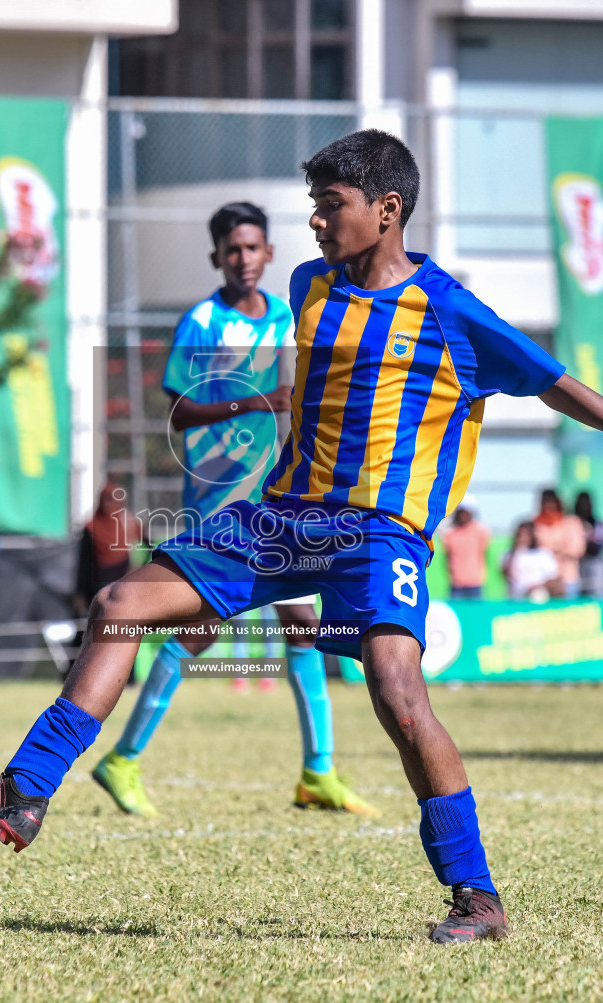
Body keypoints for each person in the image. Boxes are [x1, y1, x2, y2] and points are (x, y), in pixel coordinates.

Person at [0, 129, 603, 944]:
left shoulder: (448, 310)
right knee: (119, 603)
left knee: (397, 696)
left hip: (380, 534)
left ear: (387, 211)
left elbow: (559, 386)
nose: (314, 223)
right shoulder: (310, 285)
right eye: (313, 207)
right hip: (278, 518)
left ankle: (477, 899)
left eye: (330, 206)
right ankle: (25, 790)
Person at [90, 201, 374, 820]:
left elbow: (296, 396)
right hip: (217, 496)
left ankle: (316, 771)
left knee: (286, 624)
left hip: (274, 494)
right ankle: (128, 758)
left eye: (254, 248)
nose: (244, 259)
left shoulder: (283, 314)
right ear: (217, 256)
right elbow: (179, 413)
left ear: (270, 253)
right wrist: (256, 403)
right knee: (215, 629)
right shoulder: (201, 322)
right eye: (233, 249)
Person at [74, 484, 141, 617]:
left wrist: (138, 568)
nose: (107, 503)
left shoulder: (129, 523)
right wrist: (80, 592)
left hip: (124, 584)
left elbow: (148, 545)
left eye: (111, 499)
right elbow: (83, 562)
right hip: (97, 588)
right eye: (105, 499)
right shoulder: (91, 528)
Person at [532, 489, 584, 598]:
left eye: (551, 502)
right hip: (543, 583)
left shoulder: (571, 523)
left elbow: (577, 549)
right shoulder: (535, 524)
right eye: (545, 503)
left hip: (568, 579)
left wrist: (556, 551)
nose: (549, 507)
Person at [442, 503, 491, 599]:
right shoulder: (450, 533)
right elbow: (447, 557)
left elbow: (485, 553)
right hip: (456, 582)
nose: (463, 516)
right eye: (461, 513)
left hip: (475, 582)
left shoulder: (479, 531)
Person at [502, 521, 561, 601]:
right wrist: (516, 552)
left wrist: (536, 587)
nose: (523, 538)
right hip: (516, 597)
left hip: (538, 596)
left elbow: (553, 578)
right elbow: (506, 575)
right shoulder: (509, 554)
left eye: (526, 535)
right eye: (520, 535)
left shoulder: (543, 554)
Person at [573, 490, 603, 598]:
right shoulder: (571, 524)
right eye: (581, 504)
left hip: (595, 569)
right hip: (575, 568)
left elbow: (601, 546)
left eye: (586, 503)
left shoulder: (599, 524)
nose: (584, 507)